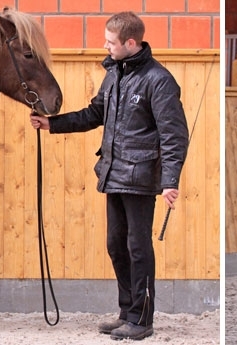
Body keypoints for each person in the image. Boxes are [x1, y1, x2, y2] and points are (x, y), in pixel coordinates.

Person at [30, 11, 189, 341]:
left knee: (138, 247)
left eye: (110, 42)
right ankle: (127, 311)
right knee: (116, 245)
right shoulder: (115, 74)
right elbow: (95, 114)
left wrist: (170, 180)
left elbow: (174, 135)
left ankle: (142, 320)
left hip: (141, 176)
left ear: (130, 43)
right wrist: (52, 123)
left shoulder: (158, 81)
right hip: (114, 172)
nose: (105, 45)